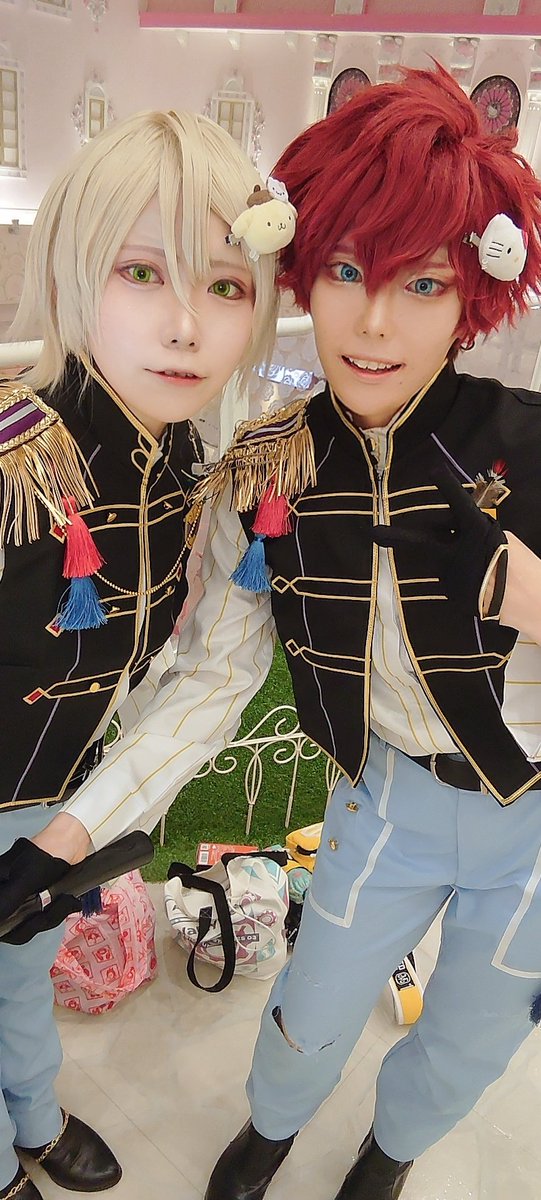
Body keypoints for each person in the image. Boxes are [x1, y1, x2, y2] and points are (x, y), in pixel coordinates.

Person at [193, 65, 541, 1199]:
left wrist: (523, 595)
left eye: (422, 282)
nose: (375, 321)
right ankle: (271, 1127)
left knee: (477, 1032)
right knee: (314, 1001)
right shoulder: (275, 462)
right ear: (303, 268)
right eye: (346, 270)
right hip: (383, 795)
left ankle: (389, 1155)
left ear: (473, 292)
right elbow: (216, 667)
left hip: (532, 825)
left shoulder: (529, 440)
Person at [0, 107, 280, 1200]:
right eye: (140, 271)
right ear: (73, 272)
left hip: (62, 796)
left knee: (20, 972)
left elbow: (207, 667)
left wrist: (65, 834)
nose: (186, 326)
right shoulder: (17, 454)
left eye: (225, 285)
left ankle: (33, 1110)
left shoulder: (196, 467)